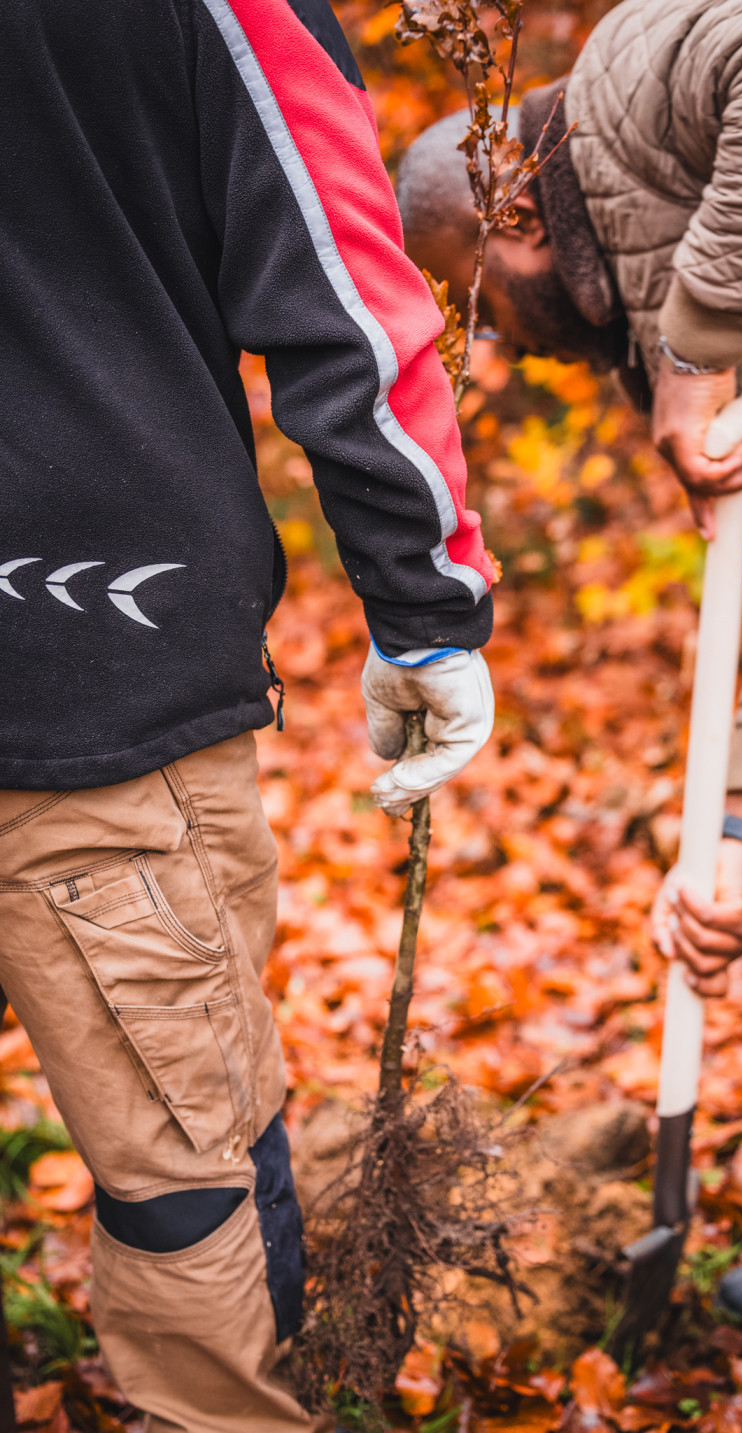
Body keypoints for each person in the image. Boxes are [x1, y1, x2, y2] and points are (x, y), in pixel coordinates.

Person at [397, 0, 742, 1322]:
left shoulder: (637, 75)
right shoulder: (648, 347)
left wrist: (700, 350)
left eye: (482, 298)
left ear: (516, 218)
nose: (505, 344)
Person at [0, 0, 494, 1425]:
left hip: (87, 655)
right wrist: (427, 607)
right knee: (185, 1158)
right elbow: (338, 287)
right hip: (97, 656)